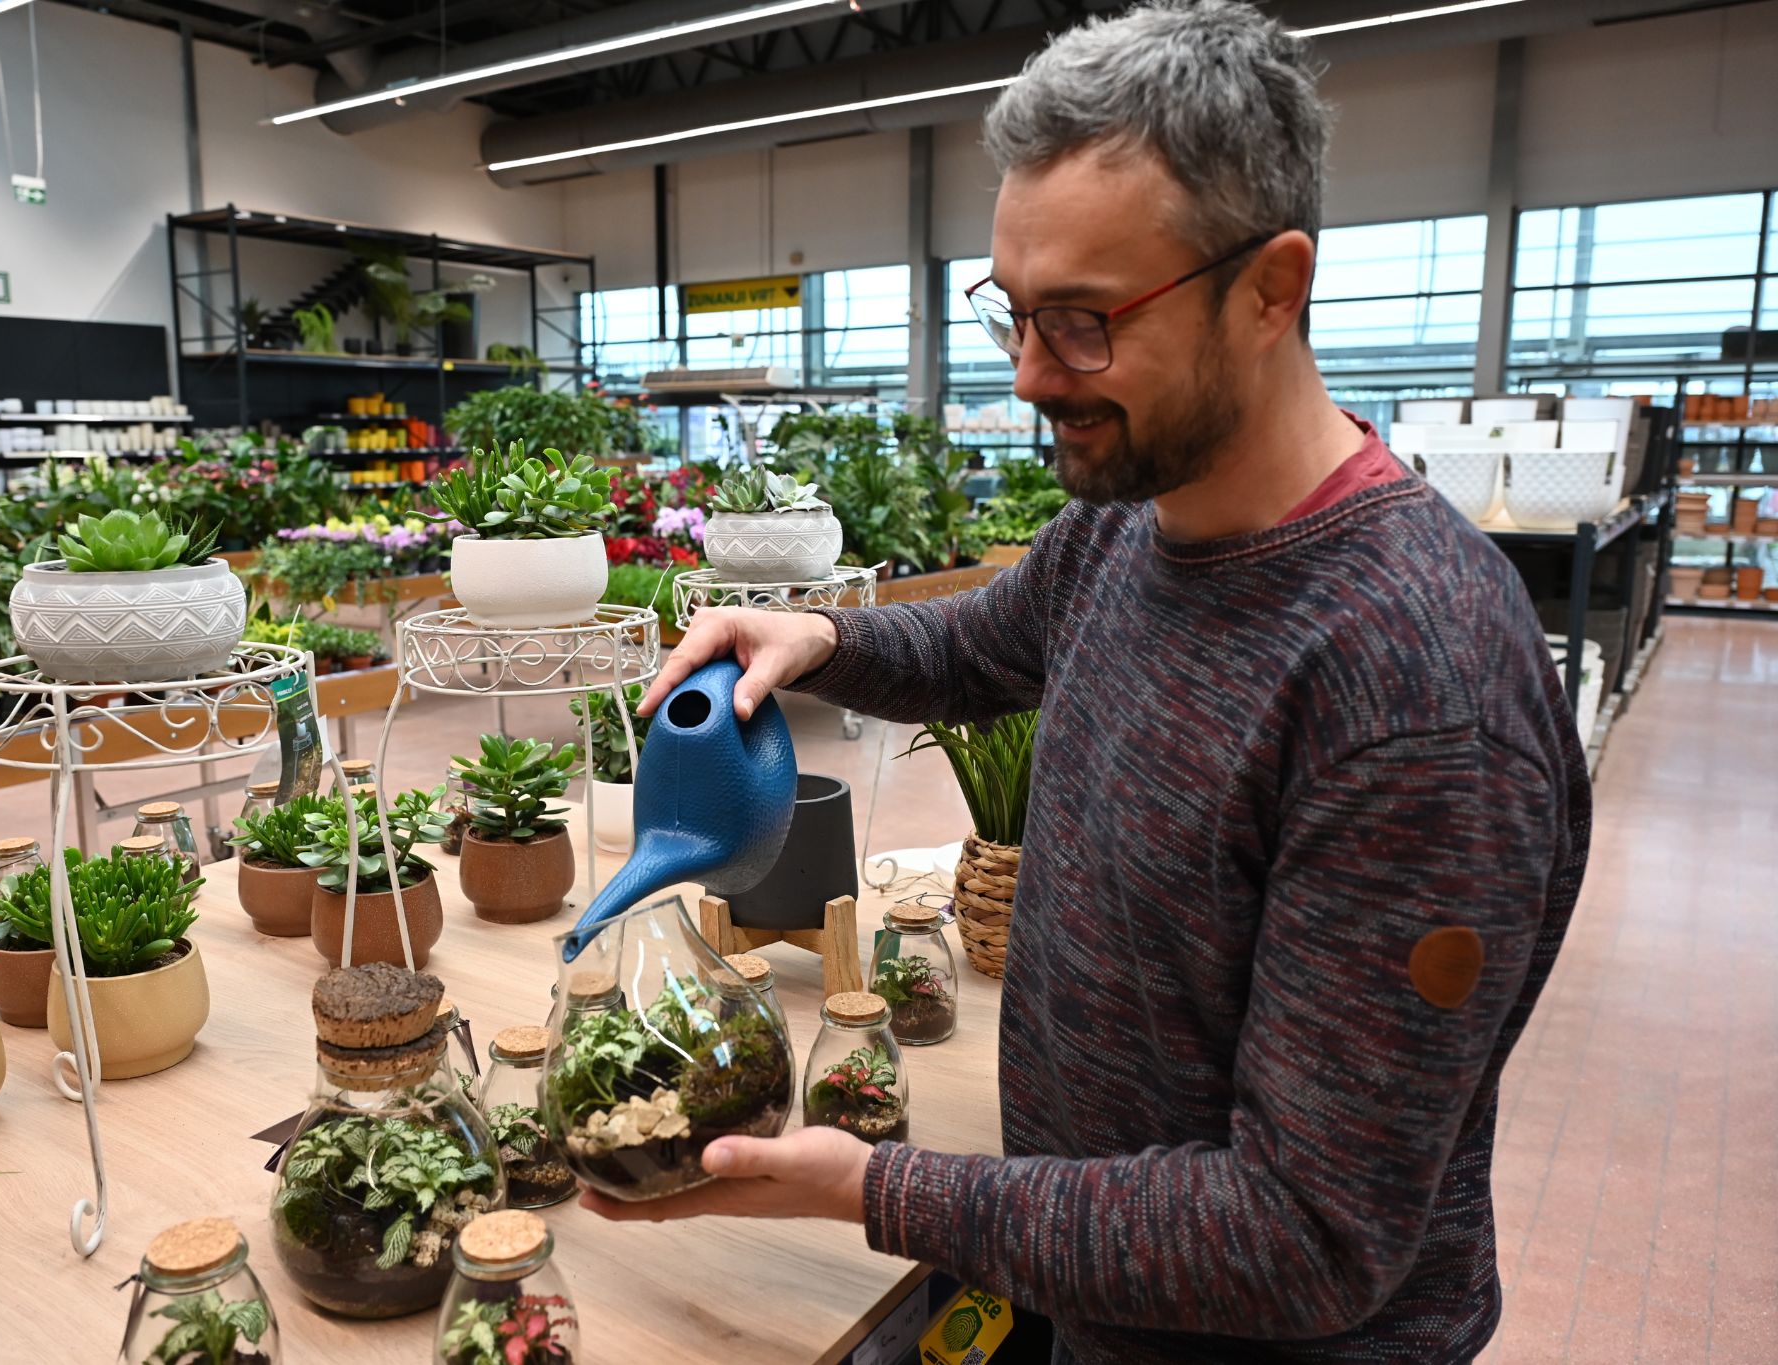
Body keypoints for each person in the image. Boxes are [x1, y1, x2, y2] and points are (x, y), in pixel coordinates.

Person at [590, 2, 1592, 1361]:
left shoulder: (1414, 690)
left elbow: (1302, 1233)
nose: (1027, 375)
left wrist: (881, 1190)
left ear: (1270, 289)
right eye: (1011, 312)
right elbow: (985, 645)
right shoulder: (1134, 517)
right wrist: (817, 637)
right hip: (1108, 1314)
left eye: (1081, 323)